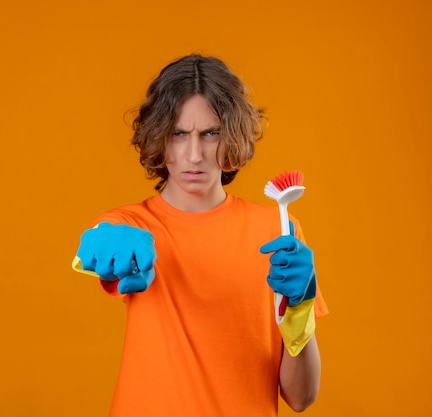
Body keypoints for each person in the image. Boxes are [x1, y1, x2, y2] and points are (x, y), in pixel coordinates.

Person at [72, 54, 328, 416]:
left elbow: (301, 398)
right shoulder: (133, 223)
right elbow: (95, 244)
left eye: (211, 133)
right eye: (179, 134)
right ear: (159, 138)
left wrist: (300, 309)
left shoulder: (278, 233)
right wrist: (101, 244)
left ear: (233, 137)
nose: (194, 155)